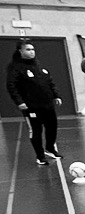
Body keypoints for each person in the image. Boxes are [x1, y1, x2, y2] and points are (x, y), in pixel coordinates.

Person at [7, 39, 62, 167]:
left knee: (52, 127)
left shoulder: (38, 66)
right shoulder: (15, 67)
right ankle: (40, 156)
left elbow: (49, 82)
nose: (32, 52)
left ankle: (50, 148)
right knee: (36, 130)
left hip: (47, 104)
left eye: (33, 49)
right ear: (20, 51)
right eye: (28, 49)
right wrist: (19, 102)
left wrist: (56, 95)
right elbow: (11, 86)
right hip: (31, 106)